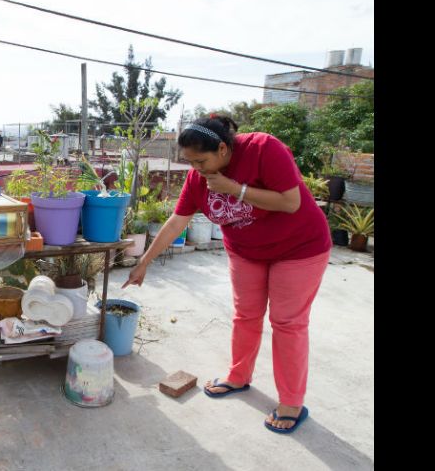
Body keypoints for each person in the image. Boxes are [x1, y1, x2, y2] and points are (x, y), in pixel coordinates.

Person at [122, 114, 331, 434]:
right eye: (190, 162)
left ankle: (292, 401)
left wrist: (235, 188)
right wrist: (144, 262)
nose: (197, 169)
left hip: (299, 248)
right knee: (245, 315)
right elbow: (177, 222)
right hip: (247, 252)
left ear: (222, 148)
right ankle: (238, 376)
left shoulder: (263, 149)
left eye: (201, 160)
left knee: (287, 323)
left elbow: (290, 202)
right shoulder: (197, 179)